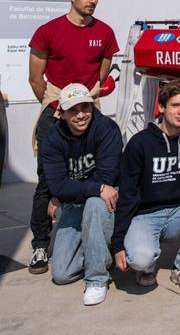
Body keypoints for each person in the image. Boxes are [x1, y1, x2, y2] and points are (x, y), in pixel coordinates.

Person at [26, 0, 119, 275]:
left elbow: (102, 73)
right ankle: (41, 244)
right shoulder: (48, 31)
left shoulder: (104, 32)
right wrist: (58, 106)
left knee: (99, 171)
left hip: (88, 101)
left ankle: (99, 238)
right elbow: (35, 78)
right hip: (56, 103)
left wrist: (84, 102)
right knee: (47, 179)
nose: (92, 0)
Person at [110, 79, 180, 295]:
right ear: (161, 107)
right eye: (175, 105)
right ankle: (148, 265)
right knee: (139, 259)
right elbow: (128, 194)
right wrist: (118, 244)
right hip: (146, 215)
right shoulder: (140, 143)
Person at [40, 83, 123, 306]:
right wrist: (85, 190)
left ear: (92, 107)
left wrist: (73, 190)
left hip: (106, 202)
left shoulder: (107, 129)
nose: (80, 115)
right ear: (61, 113)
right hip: (77, 203)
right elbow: (57, 186)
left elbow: (107, 177)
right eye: (73, 110)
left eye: (85, 107)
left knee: (95, 203)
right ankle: (103, 255)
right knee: (61, 273)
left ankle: (97, 279)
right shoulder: (52, 140)